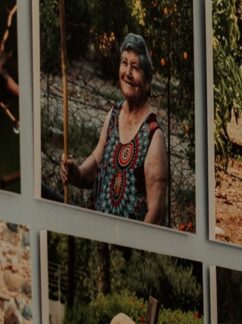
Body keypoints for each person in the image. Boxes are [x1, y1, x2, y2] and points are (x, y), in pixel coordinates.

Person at [60, 32, 169, 226]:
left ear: (147, 80)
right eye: (124, 63)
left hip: (127, 250)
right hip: (98, 238)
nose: (127, 72)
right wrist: (75, 172)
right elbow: (95, 164)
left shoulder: (153, 135)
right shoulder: (113, 114)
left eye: (134, 67)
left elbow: (156, 212)